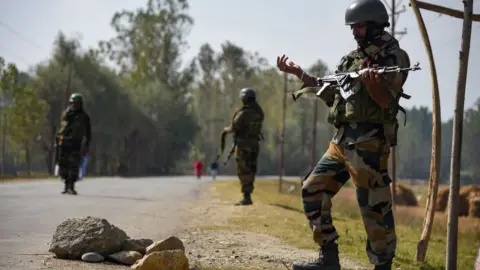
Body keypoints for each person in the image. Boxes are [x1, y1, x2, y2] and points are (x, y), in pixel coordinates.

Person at [276, 0, 412, 269]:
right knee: (312, 189)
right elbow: (331, 93)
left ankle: (382, 265)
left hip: (369, 143)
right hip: (341, 141)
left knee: (373, 207)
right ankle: (328, 258)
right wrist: (298, 73)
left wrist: (373, 86)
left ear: (374, 24)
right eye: (353, 27)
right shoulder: (352, 59)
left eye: (359, 27)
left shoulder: (394, 57)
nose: (354, 32)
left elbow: (386, 102)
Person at [221, 88, 264, 206]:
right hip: (254, 145)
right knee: (251, 169)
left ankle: (246, 197)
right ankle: (248, 194)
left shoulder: (244, 113)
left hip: (243, 146)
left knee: (243, 170)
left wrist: (225, 131)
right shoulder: (259, 112)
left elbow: (233, 127)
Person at [56, 93, 91, 195]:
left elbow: (88, 132)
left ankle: (71, 186)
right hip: (64, 142)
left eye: (76, 103)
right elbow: (61, 128)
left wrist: (86, 144)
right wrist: (58, 139)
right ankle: (66, 186)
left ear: (80, 104)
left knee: (74, 166)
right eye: (72, 103)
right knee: (63, 165)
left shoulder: (84, 117)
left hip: (76, 143)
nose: (74, 105)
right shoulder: (66, 114)